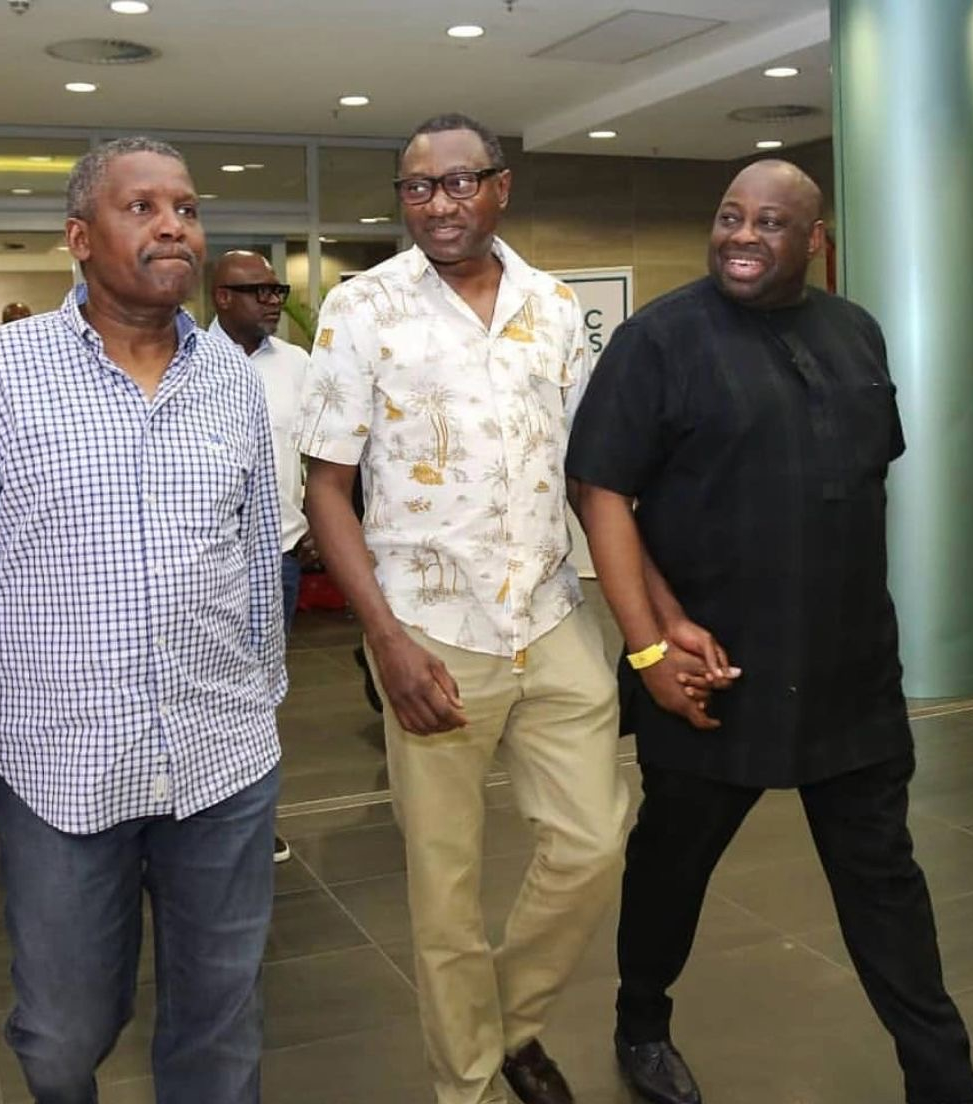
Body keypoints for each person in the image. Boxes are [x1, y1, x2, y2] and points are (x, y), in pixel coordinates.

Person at [566, 159, 973, 1104]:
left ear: (814, 241)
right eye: (730, 216)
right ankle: (641, 1021)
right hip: (711, 672)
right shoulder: (656, 341)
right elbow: (599, 491)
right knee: (671, 867)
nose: (742, 235)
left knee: (884, 884)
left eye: (769, 222)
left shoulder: (854, 331)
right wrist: (651, 647)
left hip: (848, 671)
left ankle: (944, 1081)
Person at [0, 136, 285, 1104]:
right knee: (64, 1035)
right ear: (78, 237)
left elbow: (256, 559)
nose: (173, 226)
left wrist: (261, 700)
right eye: (141, 207)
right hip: (59, 774)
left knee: (220, 1026)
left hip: (221, 763)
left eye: (186, 208)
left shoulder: (233, 380)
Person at [298, 112, 629, 1104]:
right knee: (444, 893)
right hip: (430, 632)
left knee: (594, 842)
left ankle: (511, 1019)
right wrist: (386, 643)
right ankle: (472, 1084)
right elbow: (327, 489)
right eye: (417, 187)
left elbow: (590, 480)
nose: (437, 203)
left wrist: (646, 628)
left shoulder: (556, 308)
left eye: (457, 182)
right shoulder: (362, 308)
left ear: (500, 187)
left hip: (553, 617)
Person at [210, 247, 315, 864]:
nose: (274, 301)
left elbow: (319, 452)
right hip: (209, 561)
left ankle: (253, 820)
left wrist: (320, 520)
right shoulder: (189, 361)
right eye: (260, 291)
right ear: (222, 297)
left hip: (278, 557)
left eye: (277, 291)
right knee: (210, 692)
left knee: (264, 694)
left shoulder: (297, 365)